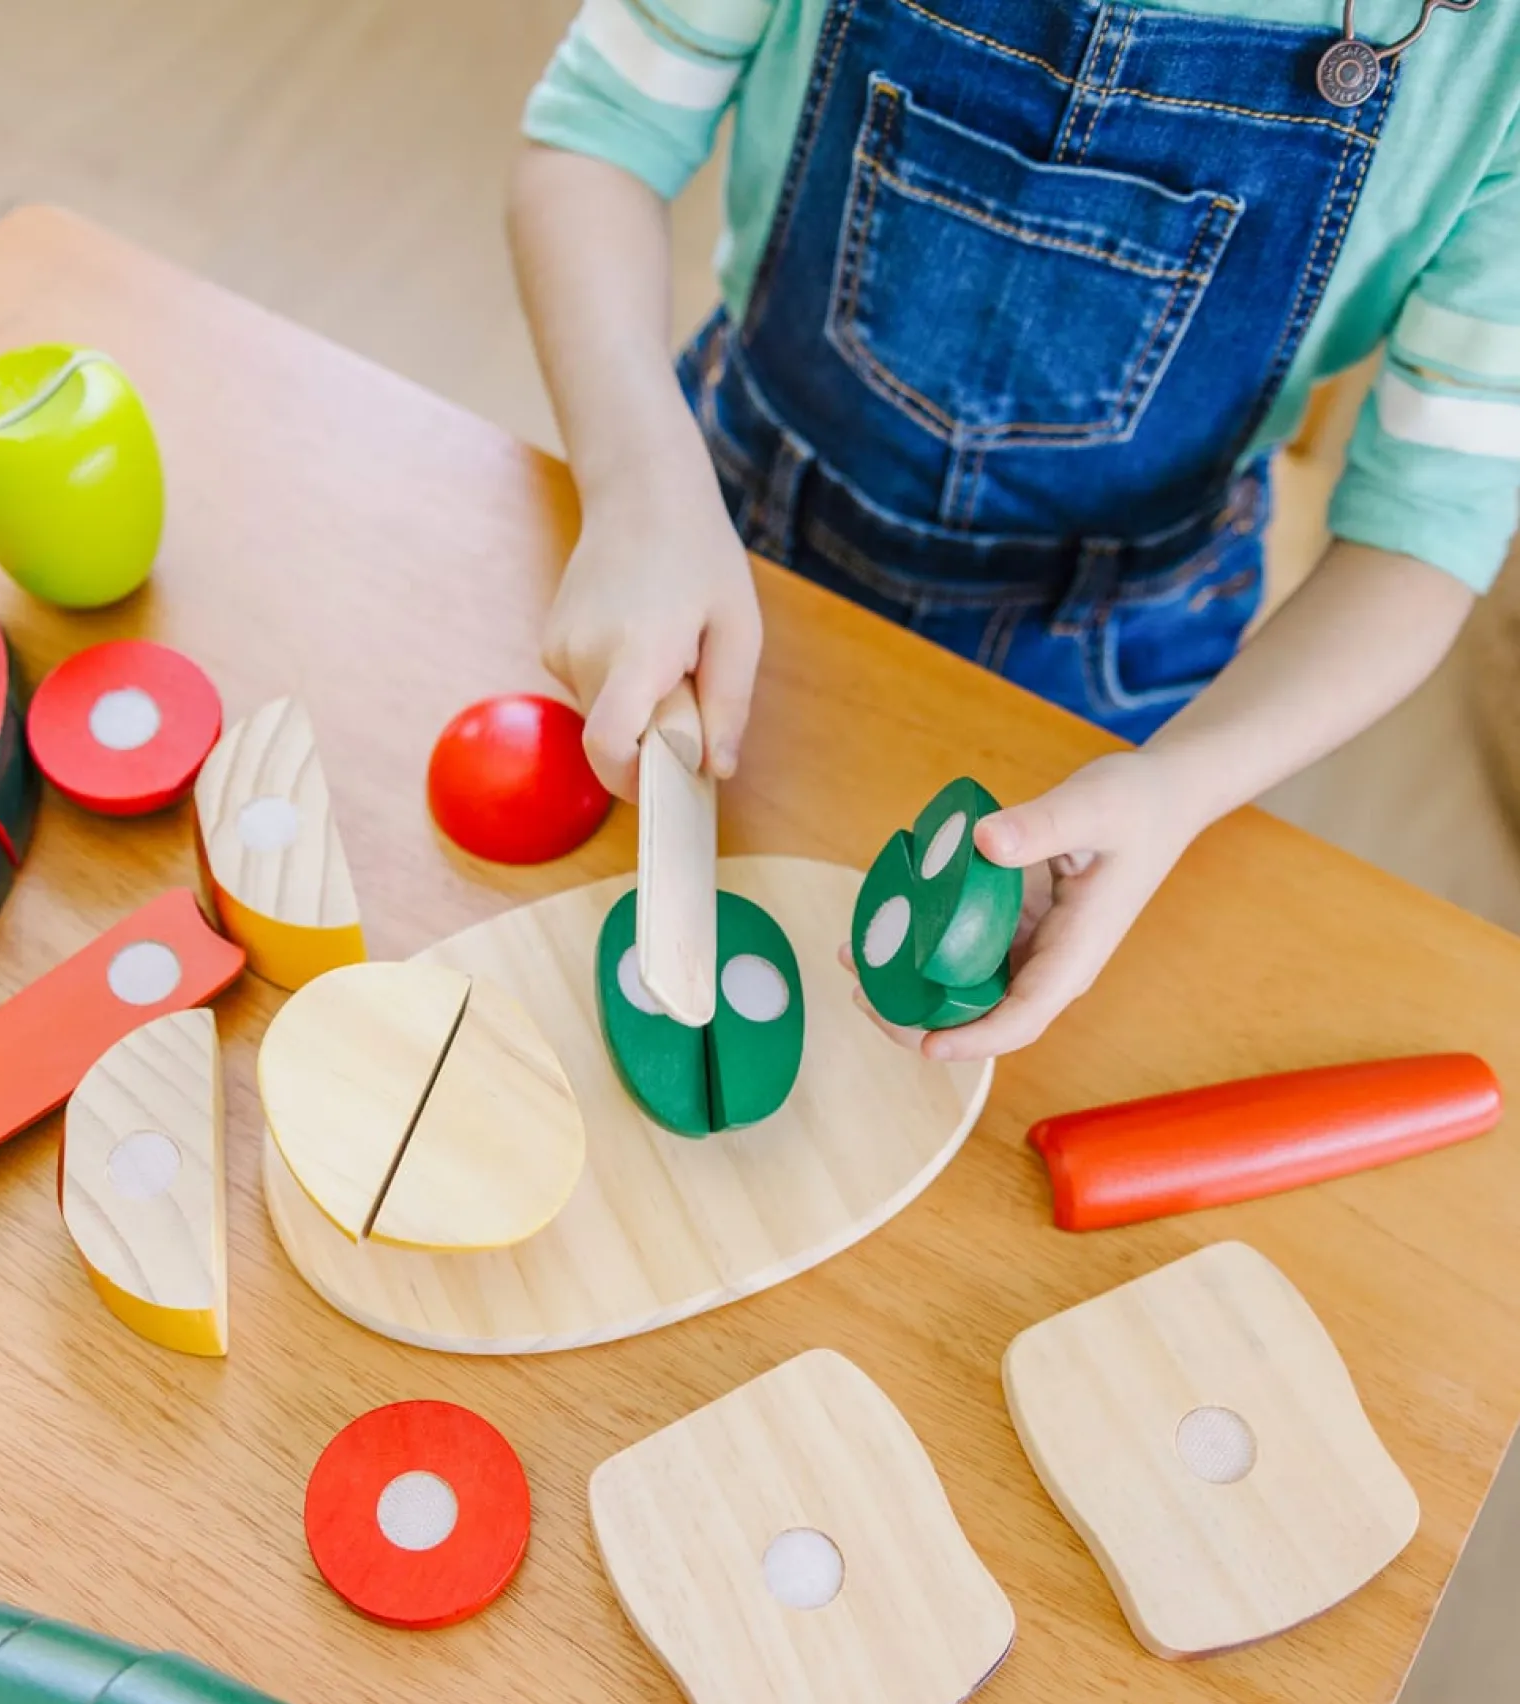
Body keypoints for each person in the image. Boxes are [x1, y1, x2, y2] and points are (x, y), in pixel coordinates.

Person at [508, 0, 1520, 1058]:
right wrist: (636, 487)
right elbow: (596, 135)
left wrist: (1177, 790)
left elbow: (1428, 527)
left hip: (1121, 657)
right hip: (716, 524)